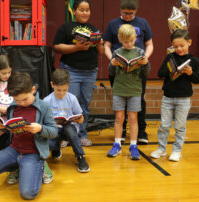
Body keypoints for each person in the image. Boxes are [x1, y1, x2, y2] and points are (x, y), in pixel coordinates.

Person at [0, 72, 58, 200]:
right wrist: (4, 127)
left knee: (28, 194)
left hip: (33, 153)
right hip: (14, 150)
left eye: (25, 99)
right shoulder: (13, 106)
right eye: (17, 100)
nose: (21, 103)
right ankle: (19, 167)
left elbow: (53, 131)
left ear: (33, 90)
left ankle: (41, 166)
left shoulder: (43, 107)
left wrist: (40, 128)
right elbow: (14, 129)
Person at [53, 0, 104, 147]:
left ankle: (82, 134)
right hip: (71, 70)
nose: (85, 13)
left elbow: (100, 52)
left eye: (87, 10)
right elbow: (57, 47)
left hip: (90, 71)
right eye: (81, 10)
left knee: (84, 105)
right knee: (69, 104)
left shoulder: (94, 29)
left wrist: (100, 43)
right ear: (74, 11)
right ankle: (66, 135)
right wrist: (76, 48)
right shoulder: (66, 27)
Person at [103, 0, 153, 144]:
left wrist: (144, 59)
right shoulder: (113, 24)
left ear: (136, 11)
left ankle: (141, 131)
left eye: (131, 13)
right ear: (120, 9)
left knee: (138, 100)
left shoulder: (143, 23)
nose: (128, 15)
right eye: (125, 13)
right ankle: (122, 131)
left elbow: (149, 44)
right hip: (118, 68)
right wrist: (112, 59)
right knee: (120, 100)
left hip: (137, 69)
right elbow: (107, 45)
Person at [150, 29, 199, 162]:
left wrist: (190, 73)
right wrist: (171, 71)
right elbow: (160, 73)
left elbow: (197, 80)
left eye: (181, 46)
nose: (178, 49)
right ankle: (161, 148)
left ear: (189, 42)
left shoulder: (193, 60)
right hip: (168, 97)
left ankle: (177, 150)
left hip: (183, 99)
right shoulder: (170, 57)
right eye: (175, 46)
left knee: (180, 127)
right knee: (164, 125)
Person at [106, 24, 150, 160]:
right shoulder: (117, 52)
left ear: (136, 38)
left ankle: (133, 146)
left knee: (133, 119)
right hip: (119, 89)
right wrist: (112, 64)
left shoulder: (140, 52)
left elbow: (147, 72)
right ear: (120, 39)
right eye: (125, 42)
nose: (129, 44)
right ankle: (117, 144)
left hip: (135, 90)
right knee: (119, 118)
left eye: (131, 41)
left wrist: (145, 64)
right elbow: (110, 72)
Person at [44, 68, 90, 172]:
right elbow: (43, 121)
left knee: (69, 129)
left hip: (70, 129)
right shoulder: (47, 101)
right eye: (58, 90)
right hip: (54, 130)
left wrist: (79, 119)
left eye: (65, 90)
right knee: (49, 142)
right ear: (52, 85)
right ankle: (56, 148)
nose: (61, 93)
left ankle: (81, 157)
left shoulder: (72, 98)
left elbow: (81, 119)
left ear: (68, 86)